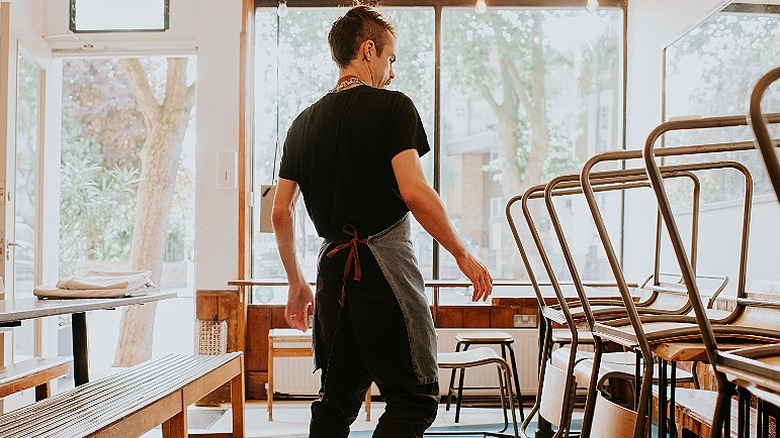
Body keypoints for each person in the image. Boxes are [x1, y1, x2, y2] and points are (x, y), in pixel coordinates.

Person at [272, 4, 493, 437]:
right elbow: (414, 192)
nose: (391, 72)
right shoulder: (393, 108)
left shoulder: (302, 123)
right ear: (368, 50)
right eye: (390, 59)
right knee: (414, 400)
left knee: (335, 402)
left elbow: (281, 210)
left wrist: (296, 282)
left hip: (333, 276)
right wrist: (462, 253)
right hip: (382, 275)